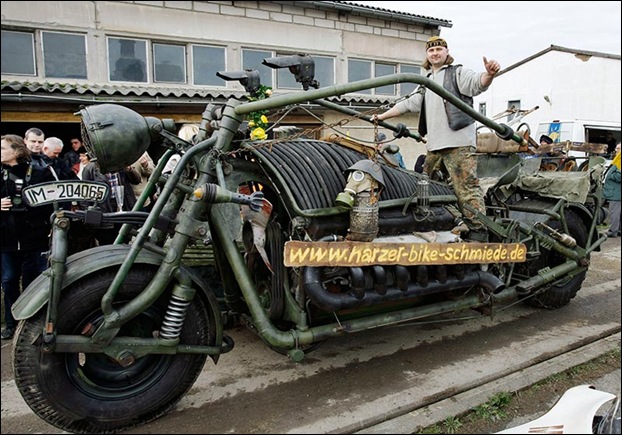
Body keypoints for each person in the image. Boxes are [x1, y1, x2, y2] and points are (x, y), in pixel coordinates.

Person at [373, 36, 501, 241]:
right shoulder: (425, 82)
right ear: (427, 55)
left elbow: (477, 83)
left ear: (446, 52)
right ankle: (444, 222)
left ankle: (478, 232)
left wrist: (489, 75)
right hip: (435, 145)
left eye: (439, 49)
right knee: (424, 185)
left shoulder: (457, 73)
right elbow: (407, 104)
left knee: (466, 188)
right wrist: (382, 117)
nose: (435, 53)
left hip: (459, 144)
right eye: (431, 51)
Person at [1, 134, 55, 340]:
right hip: (5, 239)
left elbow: (54, 200)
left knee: (34, 284)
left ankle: (31, 326)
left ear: (16, 151)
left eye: (2, 148)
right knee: (8, 281)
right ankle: (10, 323)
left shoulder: (40, 172)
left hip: (34, 238)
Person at [604, 143, 621, 238]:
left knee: (614, 212)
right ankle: (618, 230)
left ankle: (613, 231)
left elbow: (619, 176)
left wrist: (610, 175)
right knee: (618, 212)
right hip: (617, 191)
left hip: (616, 191)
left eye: (618, 149)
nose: (616, 150)